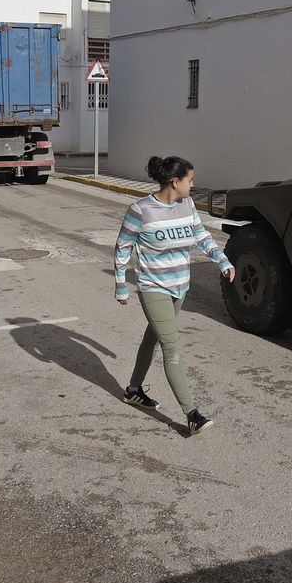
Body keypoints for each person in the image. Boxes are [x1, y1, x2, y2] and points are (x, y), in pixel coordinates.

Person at [114, 155, 235, 436]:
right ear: (175, 181)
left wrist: (223, 261)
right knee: (172, 347)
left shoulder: (187, 205)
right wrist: (121, 285)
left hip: (180, 285)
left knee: (153, 336)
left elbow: (201, 236)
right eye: (190, 180)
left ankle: (133, 390)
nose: (193, 185)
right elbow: (122, 248)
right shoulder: (141, 210)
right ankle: (192, 414)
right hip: (153, 286)